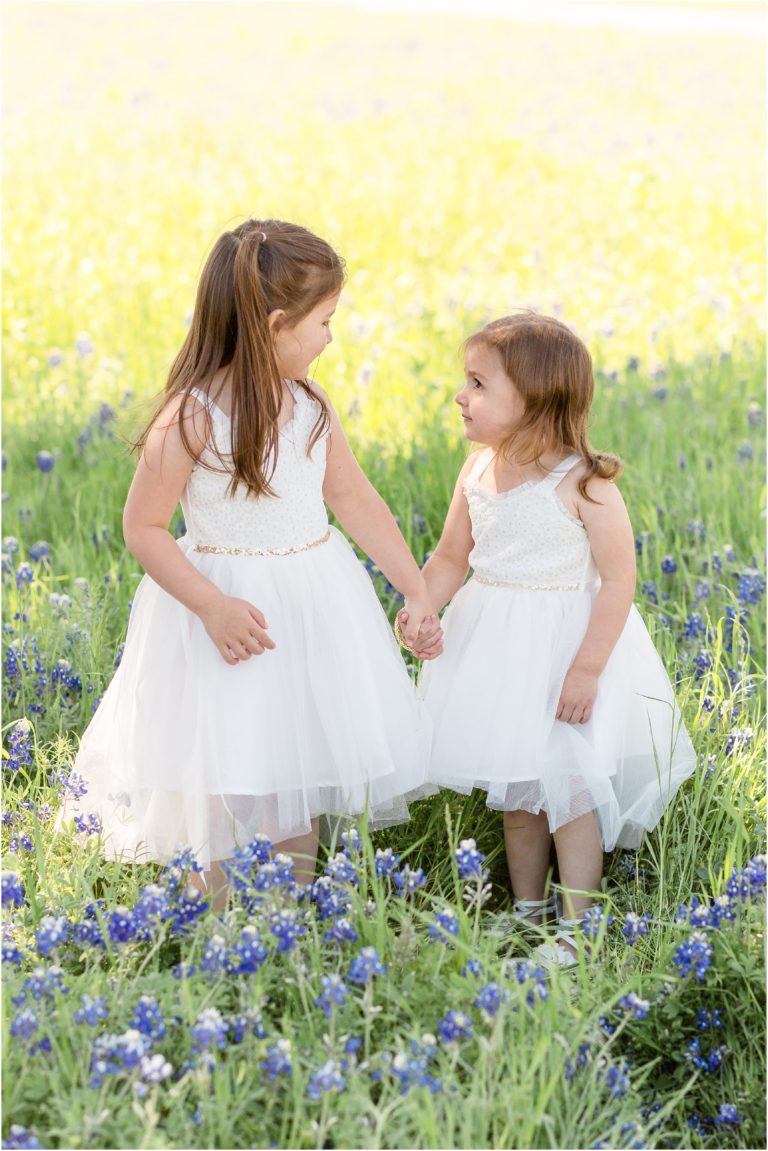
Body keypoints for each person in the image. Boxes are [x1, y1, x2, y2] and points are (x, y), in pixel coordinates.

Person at [63, 218, 441, 906]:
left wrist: (414, 587)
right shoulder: (193, 415)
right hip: (226, 611)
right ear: (274, 324)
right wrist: (209, 604)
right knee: (225, 766)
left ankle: (287, 911)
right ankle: (215, 911)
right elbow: (143, 527)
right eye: (324, 321)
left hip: (311, 601)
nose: (331, 337)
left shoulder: (311, 406)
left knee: (297, 765)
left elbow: (355, 501)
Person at [398, 312, 696, 964]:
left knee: (569, 792)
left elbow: (619, 581)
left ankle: (576, 926)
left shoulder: (585, 482)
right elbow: (452, 556)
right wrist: (423, 604)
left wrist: (588, 669)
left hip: (567, 650)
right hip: (494, 647)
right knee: (519, 794)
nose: (460, 395)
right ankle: (528, 911)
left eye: (478, 383)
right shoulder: (476, 470)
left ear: (533, 400)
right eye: (465, 381)